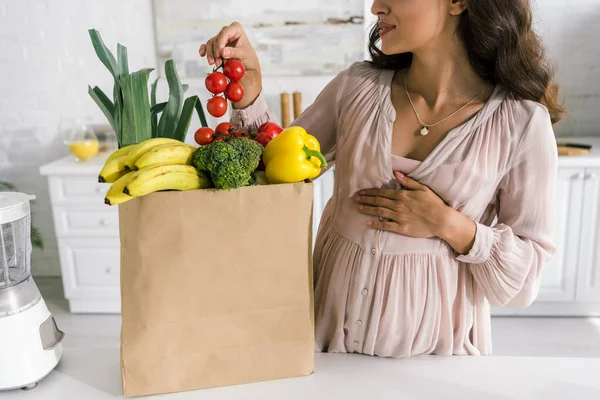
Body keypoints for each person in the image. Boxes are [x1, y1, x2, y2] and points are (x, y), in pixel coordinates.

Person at [199, 0, 565, 357]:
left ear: (458, 2)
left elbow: (523, 284)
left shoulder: (520, 122)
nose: (376, 7)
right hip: (324, 350)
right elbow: (272, 179)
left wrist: (449, 225)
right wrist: (248, 96)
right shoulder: (355, 88)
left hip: (437, 364)